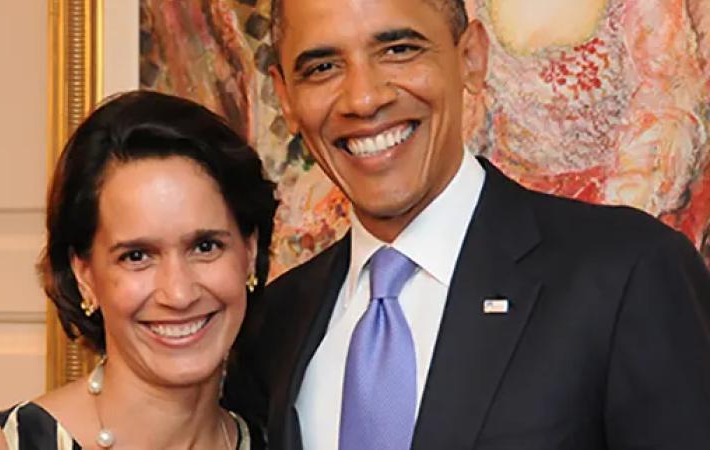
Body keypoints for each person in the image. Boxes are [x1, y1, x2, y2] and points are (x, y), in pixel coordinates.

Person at [222, 0, 710, 449]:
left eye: (398, 49)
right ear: (285, 96)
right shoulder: (273, 324)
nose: (364, 98)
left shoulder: (626, 273)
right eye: (323, 67)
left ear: (471, 58)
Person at [0, 91, 275, 450]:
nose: (178, 293)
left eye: (205, 247)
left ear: (249, 251)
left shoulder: (282, 439)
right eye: (136, 256)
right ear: (84, 275)